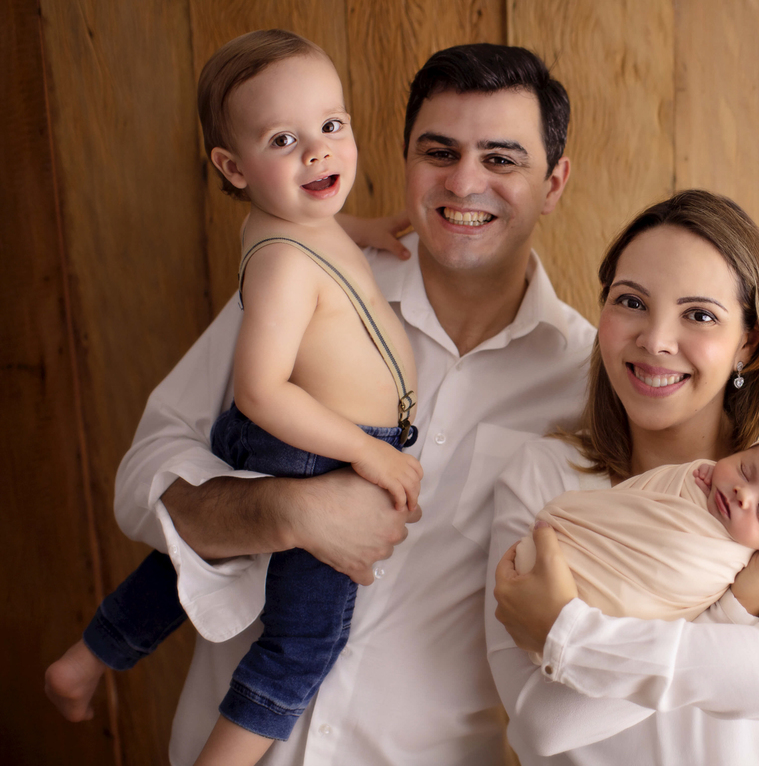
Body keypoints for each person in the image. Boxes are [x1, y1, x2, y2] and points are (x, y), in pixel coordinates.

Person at [104, 43, 594, 765]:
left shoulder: (586, 383)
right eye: (439, 151)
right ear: (404, 162)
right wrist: (283, 511)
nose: (464, 181)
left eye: (500, 159)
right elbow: (140, 485)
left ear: (552, 184)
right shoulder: (302, 274)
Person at [46, 30, 427, 765]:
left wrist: (365, 229)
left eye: (332, 125)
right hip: (315, 453)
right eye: (284, 138)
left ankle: (86, 657)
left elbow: (317, 230)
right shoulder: (282, 262)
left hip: (313, 447)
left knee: (199, 561)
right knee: (303, 639)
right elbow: (258, 391)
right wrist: (365, 454)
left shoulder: (296, 221)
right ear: (232, 166)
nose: (318, 151)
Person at [489, 190, 759, 764]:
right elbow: (542, 727)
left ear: (746, 345)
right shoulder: (541, 476)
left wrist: (568, 637)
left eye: (699, 315)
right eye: (630, 302)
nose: (655, 340)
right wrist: (739, 603)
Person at [512, 429, 759, 624]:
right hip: (561, 550)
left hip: (588, 607)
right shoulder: (694, 476)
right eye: (744, 470)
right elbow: (636, 499)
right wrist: (688, 482)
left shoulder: (730, 561)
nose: (744, 495)